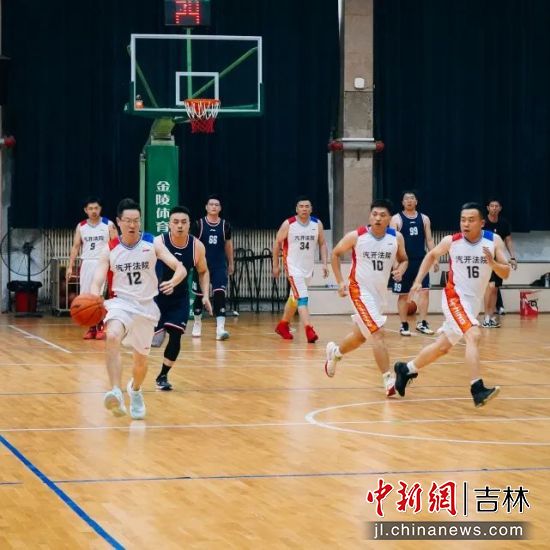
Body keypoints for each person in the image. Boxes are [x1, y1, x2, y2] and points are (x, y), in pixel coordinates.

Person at [393, 202, 511, 408]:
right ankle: (477, 389)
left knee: (443, 347)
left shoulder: (494, 240)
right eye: (463, 220)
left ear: (482, 223)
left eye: (471, 220)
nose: (466, 224)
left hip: (472, 304)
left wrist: (493, 264)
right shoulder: (452, 241)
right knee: (474, 335)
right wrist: (418, 281)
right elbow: (431, 255)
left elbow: (506, 272)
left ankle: (406, 369)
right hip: (454, 298)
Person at [90, 198, 186, 419]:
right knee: (112, 336)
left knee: (140, 363)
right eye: (128, 220)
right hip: (120, 303)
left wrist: (174, 281)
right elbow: (97, 280)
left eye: (136, 220)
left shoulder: (152, 243)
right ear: (118, 222)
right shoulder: (110, 249)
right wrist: (95, 296)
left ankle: (135, 390)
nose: (132, 225)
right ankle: (116, 391)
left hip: (146, 307)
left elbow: (179, 267)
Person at [324, 199, 408, 396]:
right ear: (370, 216)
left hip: (379, 294)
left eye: (382, 215)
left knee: (360, 336)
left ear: (389, 219)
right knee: (377, 333)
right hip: (359, 291)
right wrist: (340, 282)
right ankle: (388, 380)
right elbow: (335, 254)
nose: (378, 218)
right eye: (374, 214)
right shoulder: (357, 236)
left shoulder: (396, 238)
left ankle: (335, 353)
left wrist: (401, 270)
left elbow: (404, 259)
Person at [152, 206, 212, 391]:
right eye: (176, 222)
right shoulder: (159, 242)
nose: (180, 226)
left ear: (189, 224)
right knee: (153, 341)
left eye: (184, 222)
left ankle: (163, 375)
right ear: (169, 224)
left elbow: (203, 271)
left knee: (176, 335)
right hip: (156, 297)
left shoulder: (197, 247)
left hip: (179, 297)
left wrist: (205, 295)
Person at [272, 196, 329, 343]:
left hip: (308, 268)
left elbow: (322, 243)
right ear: (296, 209)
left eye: (307, 206)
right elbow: (277, 243)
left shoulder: (317, 224)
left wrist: (324, 263)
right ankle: (309, 330)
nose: (304, 209)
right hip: (293, 267)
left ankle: (283, 325)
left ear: (311, 209)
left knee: (294, 298)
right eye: (301, 206)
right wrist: (276, 265)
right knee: (302, 297)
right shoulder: (289, 224)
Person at [67, 196, 117, 339]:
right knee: (87, 297)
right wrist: (70, 266)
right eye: (90, 208)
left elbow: (116, 245)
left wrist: (115, 265)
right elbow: (76, 246)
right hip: (87, 263)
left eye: (96, 208)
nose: (93, 211)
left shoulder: (108, 224)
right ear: (85, 210)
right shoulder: (81, 226)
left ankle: (101, 326)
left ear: (100, 209)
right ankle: (91, 327)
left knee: (99, 296)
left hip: (103, 263)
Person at [390, 191, 439, 336]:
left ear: (416, 201)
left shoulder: (424, 219)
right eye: (406, 199)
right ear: (402, 202)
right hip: (403, 262)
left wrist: (435, 258)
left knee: (425, 291)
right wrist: (395, 265)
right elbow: (391, 243)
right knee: (404, 294)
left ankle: (422, 323)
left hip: (421, 261)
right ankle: (404, 324)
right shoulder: (396, 219)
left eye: (412, 198)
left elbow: (429, 240)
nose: (409, 201)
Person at [190, 195, 234, 341]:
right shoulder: (199, 224)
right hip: (201, 265)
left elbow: (228, 245)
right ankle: (197, 322)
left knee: (220, 294)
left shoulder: (225, 225)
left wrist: (231, 263)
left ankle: (220, 328)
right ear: (206, 207)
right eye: (211, 204)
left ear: (220, 208)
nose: (214, 207)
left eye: (217, 205)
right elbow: (193, 244)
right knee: (199, 295)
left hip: (219, 265)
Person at [482, 198, 517, 327]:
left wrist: (512, 257)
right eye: (492, 206)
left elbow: (508, 240)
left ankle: (491, 317)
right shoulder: (483, 222)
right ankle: (486, 317)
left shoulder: (503, 223)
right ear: (488, 208)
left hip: (498, 261)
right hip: (485, 260)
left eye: (497, 206)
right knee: (489, 287)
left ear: (500, 208)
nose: (494, 208)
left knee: (495, 289)